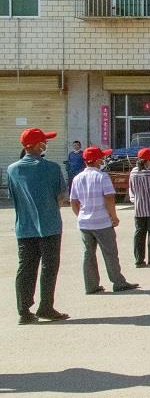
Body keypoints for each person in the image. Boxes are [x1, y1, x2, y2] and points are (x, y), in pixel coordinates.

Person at [9, 128, 69, 324]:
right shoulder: (52, 168)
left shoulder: (12, 169)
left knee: (26, 267)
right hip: (50, 225)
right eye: (45, 142)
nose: (46, 144)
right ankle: (46, 307)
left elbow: (13, 196)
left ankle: (23, 311)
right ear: (38, 145)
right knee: (49, 267)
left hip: (24, 227)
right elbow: (61, 197)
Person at [70, 146, 138, 295]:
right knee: (110, 253)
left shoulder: (77, 178)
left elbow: (73, 201)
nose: (103, 160)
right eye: (101, 158)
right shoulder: (102, 177)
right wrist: (113, 217)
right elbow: (109, 198)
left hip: (84, 223)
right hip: (102, 222)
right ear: (96, 160)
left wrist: (80, 216)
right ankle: (118, 282)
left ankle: (91, 286)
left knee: (88, 255)